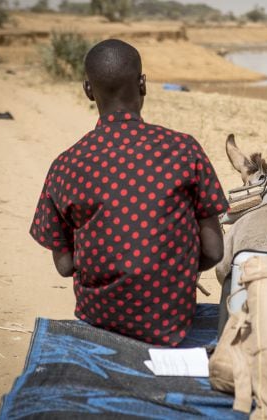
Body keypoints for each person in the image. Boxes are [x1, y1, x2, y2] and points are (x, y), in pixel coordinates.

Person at [30, 39, 228, 346]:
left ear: (88, 90)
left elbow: (64, 265)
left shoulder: (65, 165)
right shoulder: (184, 149)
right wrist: (177, 270)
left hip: (98, 318)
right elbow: (215, 251)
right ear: (143, 84)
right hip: (173, 319)